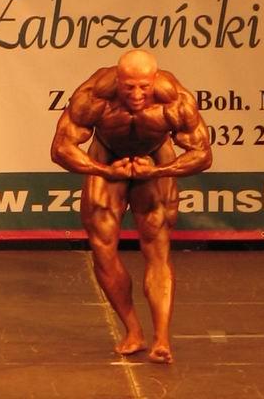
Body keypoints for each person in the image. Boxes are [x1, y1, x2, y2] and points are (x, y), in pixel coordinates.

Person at [50, 50, 212, 363]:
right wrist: (104, 171)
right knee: (102, 248)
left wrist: (159, 171)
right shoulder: (95, 95)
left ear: (155, 79)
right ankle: (133, 330)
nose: (136, 95)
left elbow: (203, 154)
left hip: (156, 158)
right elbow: (60, 148)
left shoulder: (174, 100)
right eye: (128, 87)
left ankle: (161, 338)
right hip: (107, 156)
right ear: (118, 78)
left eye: (143, 87)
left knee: (157, 246)